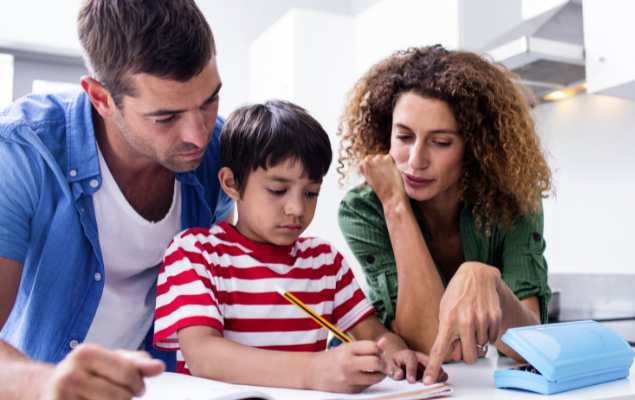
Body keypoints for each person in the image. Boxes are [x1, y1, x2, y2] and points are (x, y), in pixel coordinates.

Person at [0, 1, 234, 398]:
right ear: (101, 98)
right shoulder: (22, 152)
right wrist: (43, 383)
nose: (199, 134)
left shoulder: (219, 154)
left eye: (210, 100)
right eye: (166, 117)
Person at [153, 101, 446, 393]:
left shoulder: (324, 261)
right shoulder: (194, 254)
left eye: (311, 192)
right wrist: (312, 371)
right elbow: (203, 356)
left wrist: (396, 355)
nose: (296, 208)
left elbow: (374, 334)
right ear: (232, 184)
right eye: (278, 190)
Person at [336, 45, 554, 385]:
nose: (415, 160)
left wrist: (488, 281)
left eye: (441, 142)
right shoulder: (364, 209)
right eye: (404, 136)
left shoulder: (513, 202)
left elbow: (530, 347)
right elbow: (429, 343)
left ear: (476, 147)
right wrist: (395, 205)